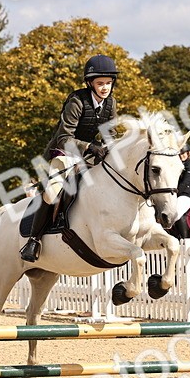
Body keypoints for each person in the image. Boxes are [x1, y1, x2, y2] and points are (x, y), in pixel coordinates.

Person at [20, 54, 119, 262]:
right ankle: (33, 240)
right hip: (64, 152)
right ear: (90, 83)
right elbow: (64, 137)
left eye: (108, 83)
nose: (104, 88)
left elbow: (111, 134)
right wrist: (91, 146)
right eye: (100, 83)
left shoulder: (110, 103)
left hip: (90, 156)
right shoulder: (77, 100)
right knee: (52, 192)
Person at [169, 146, 190, 239]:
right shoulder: (176, 165)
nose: (181, 156)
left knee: (176, 214)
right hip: (178, 193)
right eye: (179, 154)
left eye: (183, 153)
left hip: (188, 195)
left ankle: (184, 239)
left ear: (188, 153)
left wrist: (174, 195)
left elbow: (185, 183)